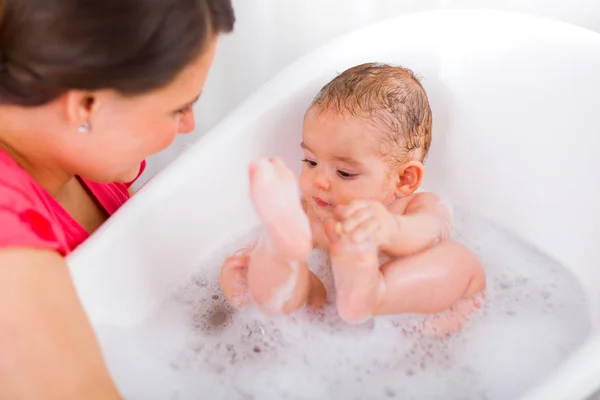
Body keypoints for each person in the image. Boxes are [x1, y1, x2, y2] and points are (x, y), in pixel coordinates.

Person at [0, 0, 234, 398]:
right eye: (179, 107)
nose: (188, 125)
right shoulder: (12, 262)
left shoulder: (80, 156)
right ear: (86, 105)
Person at [220, 63, 486, 334]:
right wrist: (245, 268)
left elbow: (430, 230)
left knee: (462, 262)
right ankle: (278, 258)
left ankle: (363, 289)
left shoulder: (417, 206)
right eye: (310, 162)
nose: (319, 181)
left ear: (404, 179)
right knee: (290, 275)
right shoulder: (310, 213)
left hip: (399, 313)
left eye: (344, 172)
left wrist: (391, 229)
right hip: (328, 316)